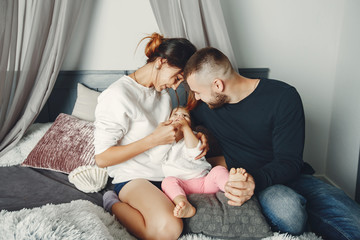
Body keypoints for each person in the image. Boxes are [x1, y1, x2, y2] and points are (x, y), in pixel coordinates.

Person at [183, 47, 360, 239]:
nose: (196, 97)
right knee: (290, 214)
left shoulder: (283, 96)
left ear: (218, 85)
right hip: (263, 186)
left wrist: (253, 181)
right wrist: (194, 129)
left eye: (197, 92)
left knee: (353, 222)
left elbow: (290, 162)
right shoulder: (207, 107)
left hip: (292, 176)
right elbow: (183, 116)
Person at [94, 33, 205, 240]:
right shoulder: (117, 96)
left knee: (224, 167)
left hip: (167, 173)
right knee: (169, 228)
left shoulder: (161, 95)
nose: (174, 86)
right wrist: (153, 139)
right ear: (161, 63)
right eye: (177, 77)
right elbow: (101, 158)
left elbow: (168, 141)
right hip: (133, 177)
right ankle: (112, 203)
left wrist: (192, 137)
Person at [149, 106, 247, 218]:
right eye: (175, 115)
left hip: (205, 181)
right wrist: (168, 139)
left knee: (219, 170)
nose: (180, 117)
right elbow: (155, 158)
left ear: (191, 124)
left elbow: (195, 152)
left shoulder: (194, 137)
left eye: (185, 116)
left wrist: (186, 130)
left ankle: (231, 187)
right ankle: (183, 203)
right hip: (182, 185)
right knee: (167, 182)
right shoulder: (164, 142)